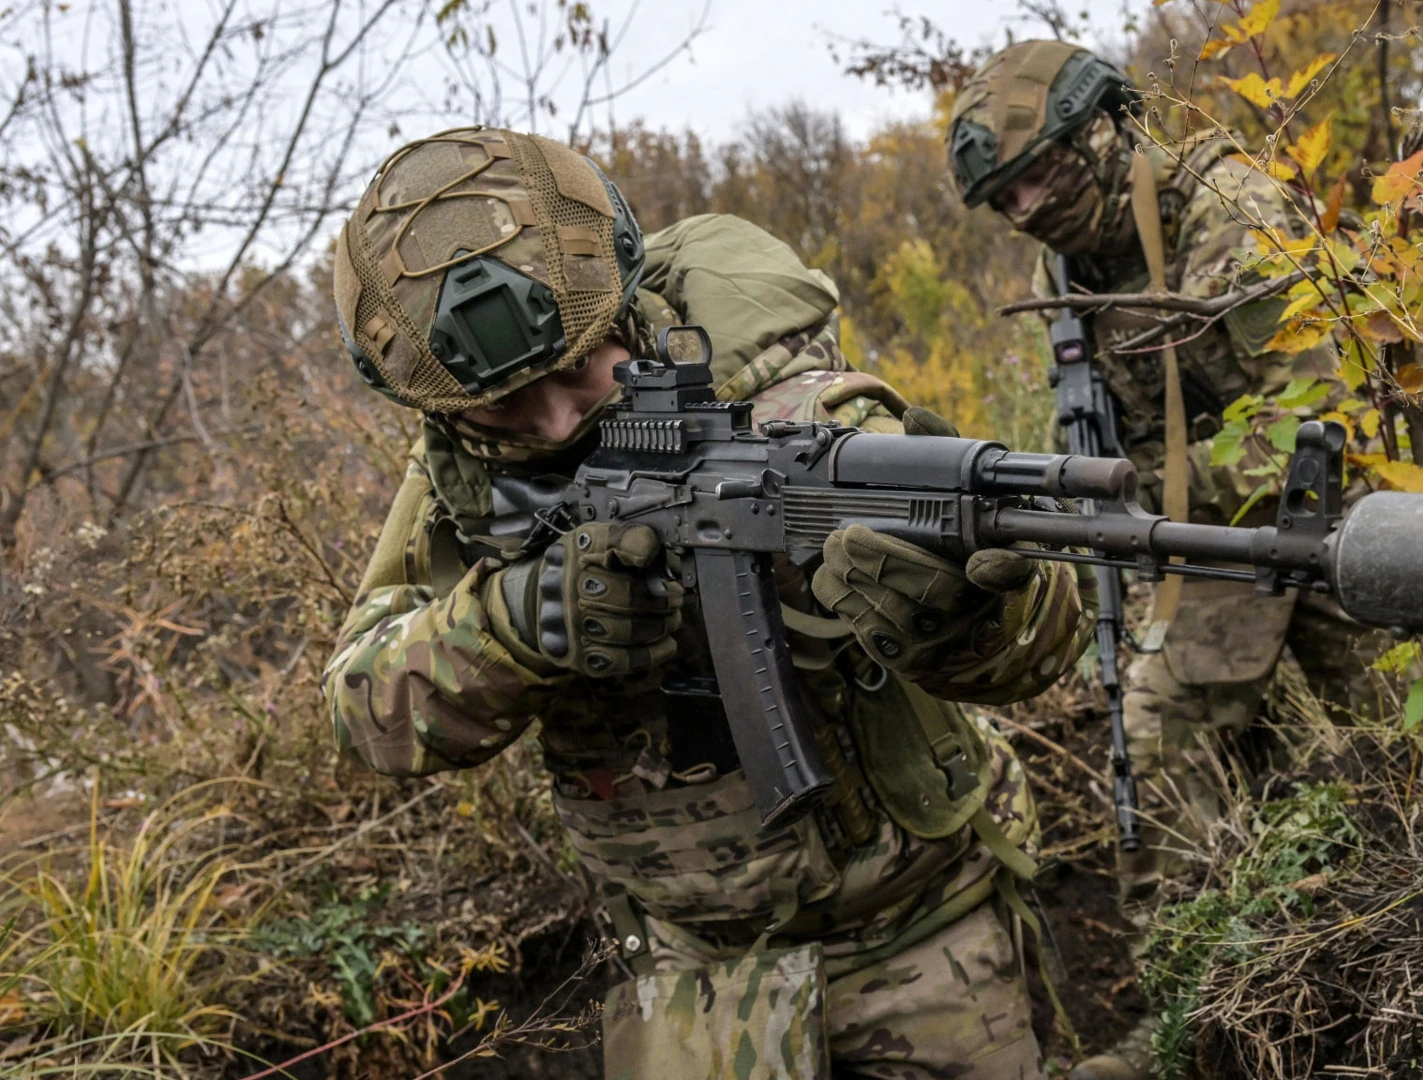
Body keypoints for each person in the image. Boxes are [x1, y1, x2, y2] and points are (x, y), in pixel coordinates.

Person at [323, 126, 1091, 1079]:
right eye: (507, 410)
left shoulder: (797, 413)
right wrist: (515, 626)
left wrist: (963, 613)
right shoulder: (459, 477)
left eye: (577, 369)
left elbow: (1047, 645)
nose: (557, 419)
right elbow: (366, 711)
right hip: (689, 978)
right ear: (444, 409)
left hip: (922, 938)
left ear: (625, 303)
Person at [946, 43, 1386, 1080]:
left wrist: (1178, 523)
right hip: (1201, 545)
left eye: (1042, 173)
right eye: (1005, 196)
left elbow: (1312, 422)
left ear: (1110, 127)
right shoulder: (1074, 263)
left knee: (1409, 756)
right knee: (1157, 742)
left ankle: (1412, 948)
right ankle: (1193, 1008)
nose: (1026, 209)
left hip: (1335, 527)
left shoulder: (1227, 210)